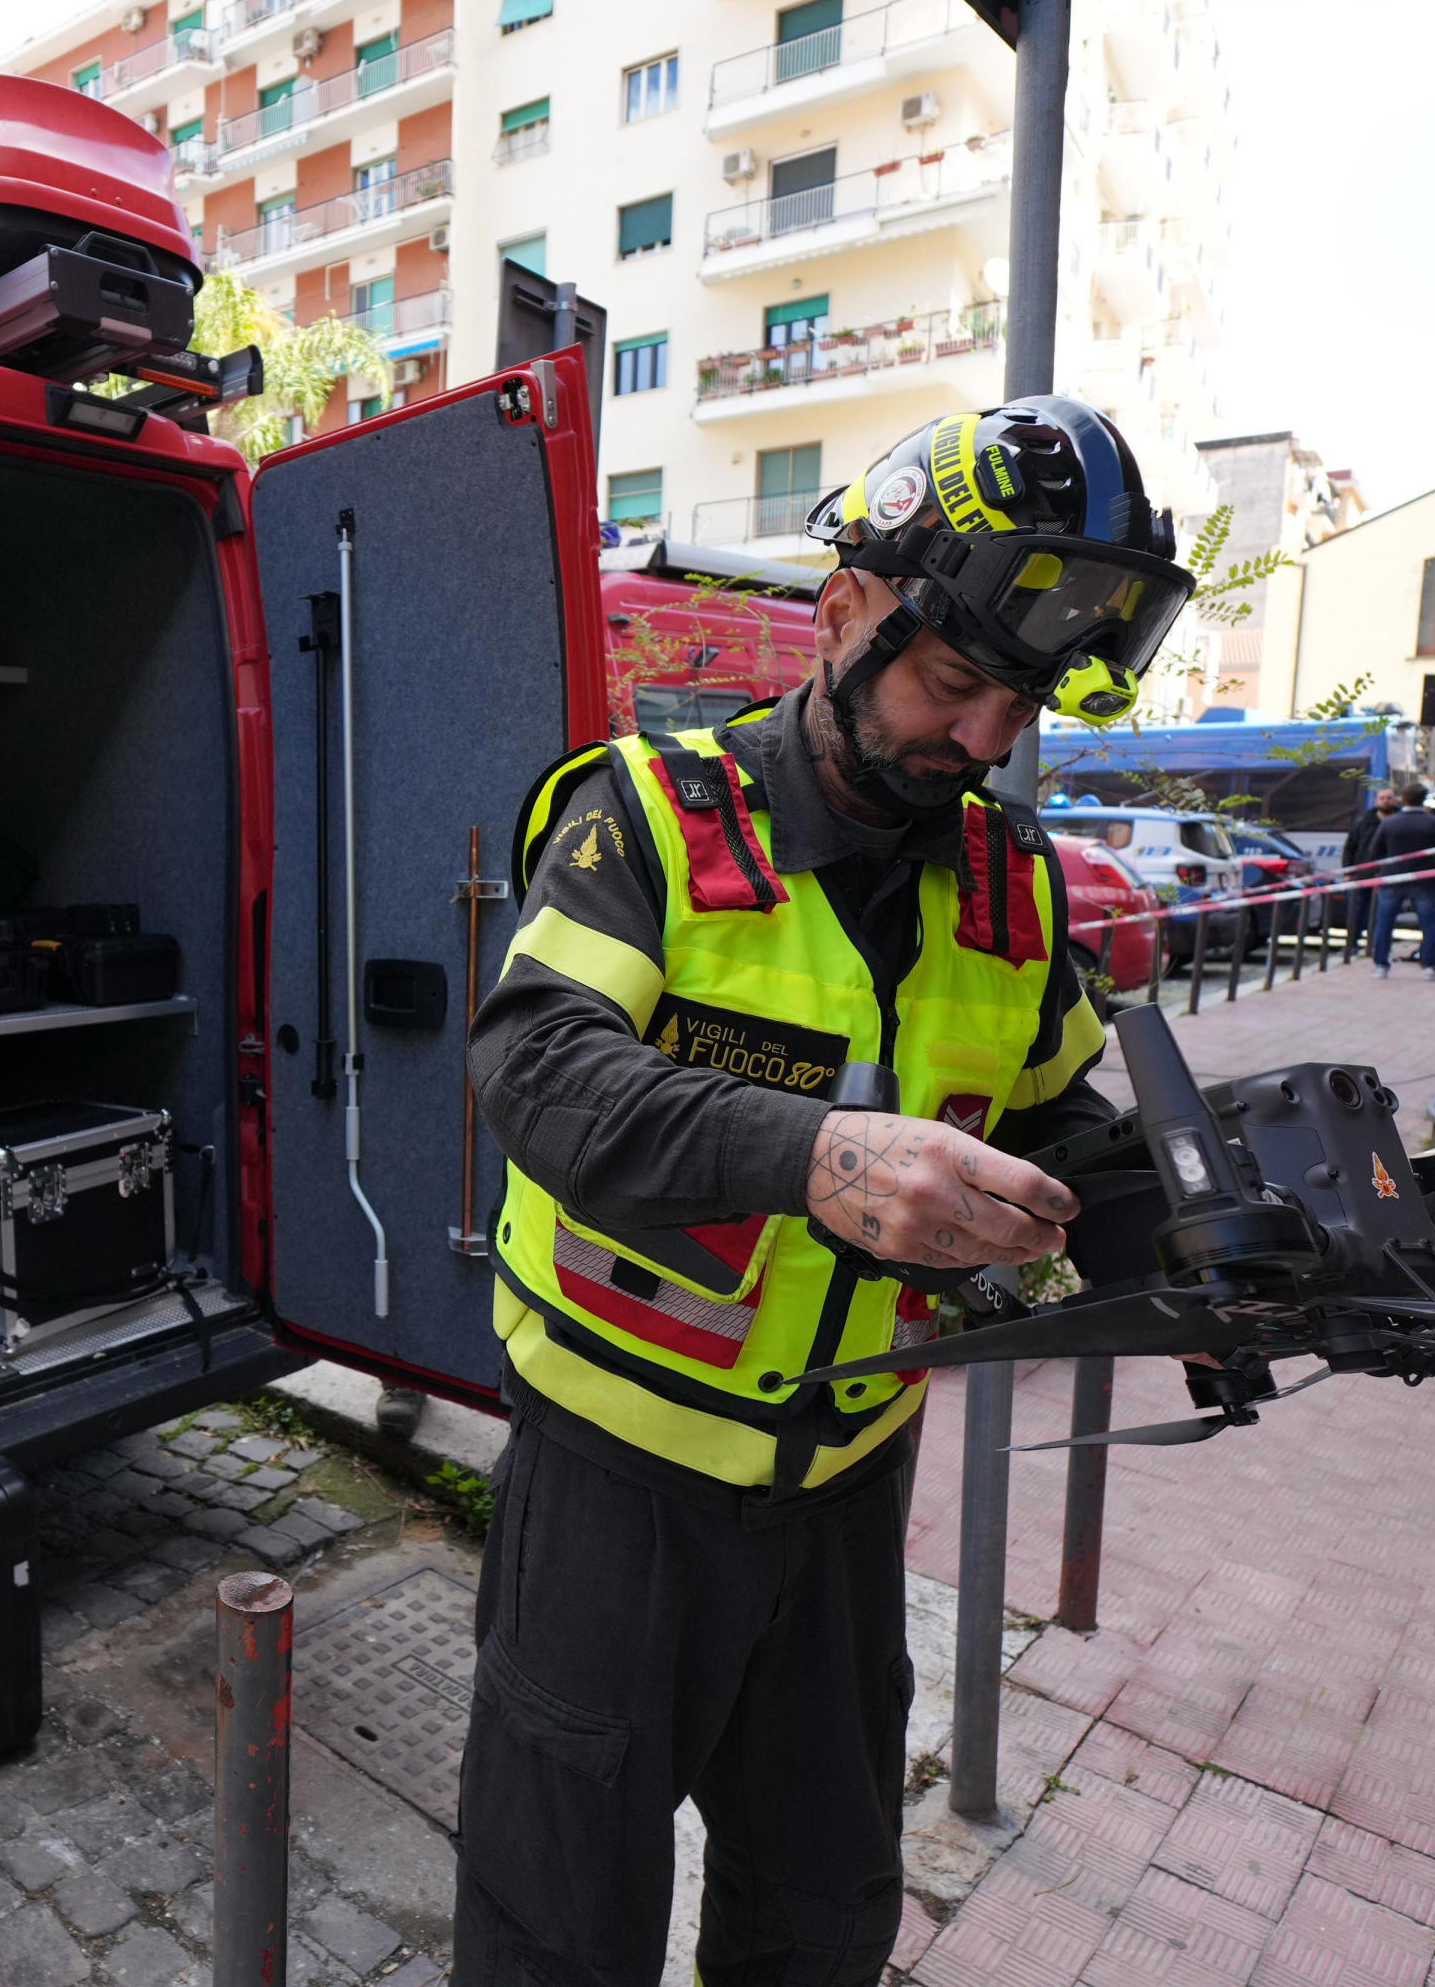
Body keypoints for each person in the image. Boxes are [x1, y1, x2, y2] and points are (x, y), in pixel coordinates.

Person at [457, 397, 1195, 1986]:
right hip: (615, 1487)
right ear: (844, 612)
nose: (987, 739)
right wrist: (809, 1156)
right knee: (555, 1934)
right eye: (953, 683)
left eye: (1022, 700)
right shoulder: (645, 821)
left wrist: (1231, 1260)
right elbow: (534, 1073)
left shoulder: (1013, 885)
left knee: (822, 1916)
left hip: (853, 1490)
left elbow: (1072, 1140)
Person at [1370, 782, 1435, 979]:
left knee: (1384, 922)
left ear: (1402, 799)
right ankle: (1431, 967)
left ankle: (1381, 965)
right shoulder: (1434, 823)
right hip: (1425, 879)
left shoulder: (1389, 822)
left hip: (1392, 877)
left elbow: (1374, 852)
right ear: (1424, 799)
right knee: (1429, 924)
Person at [1340, 786, 1398, 960]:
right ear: (1376, 801)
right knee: (1355, 912)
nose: (1386, 801)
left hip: (1388, 875)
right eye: (1382, 798)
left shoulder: (1399, 821)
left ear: (1395, 801)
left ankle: (1376, 945)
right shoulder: (1363, 822)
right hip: (1362, 874)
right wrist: (1348, 871)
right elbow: (1350, 848)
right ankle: (1352, 945)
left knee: (1383, 912)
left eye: (1389, 798)